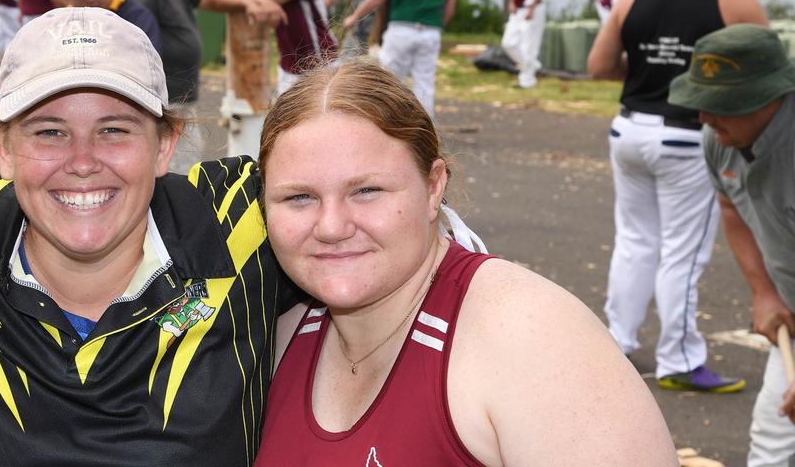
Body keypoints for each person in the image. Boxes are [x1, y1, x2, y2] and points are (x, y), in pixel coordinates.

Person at [0, 7, 296, 466]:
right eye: (50, 132)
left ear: (165, 144)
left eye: (114, 130)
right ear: (4, 147)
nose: (82, 162)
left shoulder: (245, 222)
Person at [255, 58, 678, 466]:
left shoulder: (532, 338)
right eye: (299, 197)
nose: (331, 226)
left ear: (434, 186)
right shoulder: (275, 333)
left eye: (367, 191)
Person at [587, 0, 768, 392]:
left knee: (634, 241)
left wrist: (648, 67)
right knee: (682, 254)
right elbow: (766, 73)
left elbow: (598, 65)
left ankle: (617, 342)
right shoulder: (733, 0)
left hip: (630, 130)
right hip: (688, 136)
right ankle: (679, 360)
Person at [667, 24, 795, 465]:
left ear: (770, 98)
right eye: (701, 103)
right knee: (773, 446)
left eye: (721, 106)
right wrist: (764, 292)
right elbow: (731, 207)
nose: (704, 118)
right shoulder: (719, 140)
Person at [131, 0, 285, 171]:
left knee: (185, 157)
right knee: (175, 164)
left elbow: (212, 0)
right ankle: (174, 206)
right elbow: (136, 42)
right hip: (166, 98)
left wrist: (247, 3)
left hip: (180, 97)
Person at [341, 0, 456, 117]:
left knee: (391, 81)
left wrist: (355, 16)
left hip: (401, 30)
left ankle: (387, 123)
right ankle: (426, 131)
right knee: (424, 83)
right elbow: (448, 12)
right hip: (431, 33)